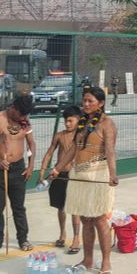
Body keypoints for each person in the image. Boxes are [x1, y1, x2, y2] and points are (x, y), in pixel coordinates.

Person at [50, 88, 119, 274]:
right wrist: (57, 168)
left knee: (99, 219)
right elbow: (73, 149)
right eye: (84, 101)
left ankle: (106, 262)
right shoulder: (82, 122)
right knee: (86, 219)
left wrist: (113, 174)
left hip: (99, 174)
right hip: (79, 175)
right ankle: (88, 259)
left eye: (90, 101)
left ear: (101, 103)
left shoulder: (107, 124)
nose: (86, 104)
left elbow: (111, 151)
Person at [0, 95, 36, 253]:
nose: (23, 118)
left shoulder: (24, 121)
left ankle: (23, 239)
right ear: (14, 108)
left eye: (25, 115)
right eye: (20, 114)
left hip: (18, 168)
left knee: (18, 207)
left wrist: (30, 165)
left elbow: (31, 144)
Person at [39, 105, 82, 254]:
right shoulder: (59, 135)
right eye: (66, 121)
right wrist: (42, 171)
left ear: (78, 120)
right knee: (60, 207)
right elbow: (50, 153)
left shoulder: (81, 135)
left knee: (75, 208)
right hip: (59, 175)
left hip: (75, 176)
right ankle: (62, 233)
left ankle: (76, 238)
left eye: (70, 120)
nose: (67, 124)